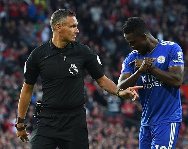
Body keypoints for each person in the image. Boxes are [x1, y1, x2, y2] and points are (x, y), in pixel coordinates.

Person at [15, 9, 142, 149]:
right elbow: (27, 89)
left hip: (74, 121)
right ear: (58, 27)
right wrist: (20, 123)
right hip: (47, 120)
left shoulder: (83, 52)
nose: (77, 30)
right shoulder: (38, 55)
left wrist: (119, 92)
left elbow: (102, 79)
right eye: (72, 26)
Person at [118, 17, 184, 149]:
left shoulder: (171, 49)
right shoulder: (132, 57)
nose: (131, 47)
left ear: (143, 37)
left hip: (167, 120)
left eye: (133, 42)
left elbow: (177, 80)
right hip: (146, 123)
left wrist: (151, 68)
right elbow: (121, 87)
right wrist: (139, 71)